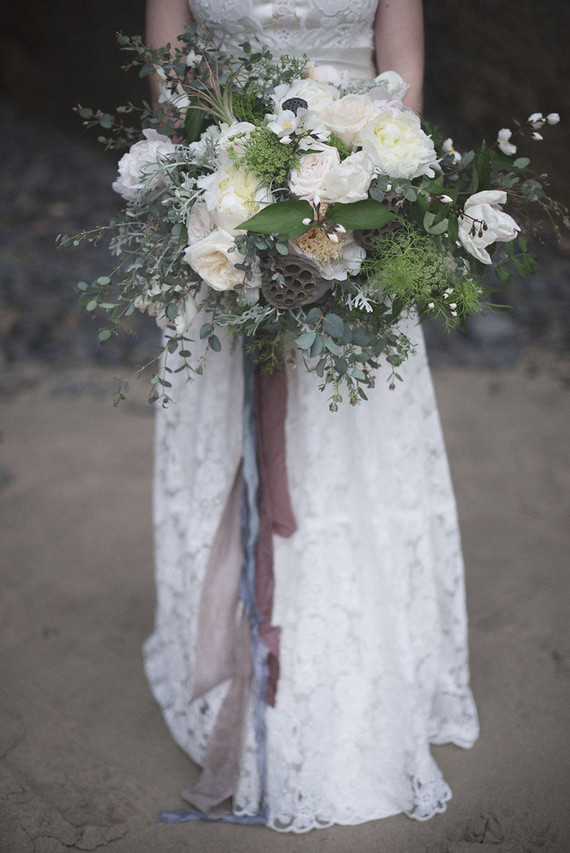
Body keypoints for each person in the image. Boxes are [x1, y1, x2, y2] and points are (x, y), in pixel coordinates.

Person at [143, 0, 479, 833]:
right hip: (227, 219)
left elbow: (402, 87)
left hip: (355, 222)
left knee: (349, 438)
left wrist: (352, 201)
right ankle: (238, 661)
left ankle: (358, 668)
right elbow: (172, 89)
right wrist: (239, 204)